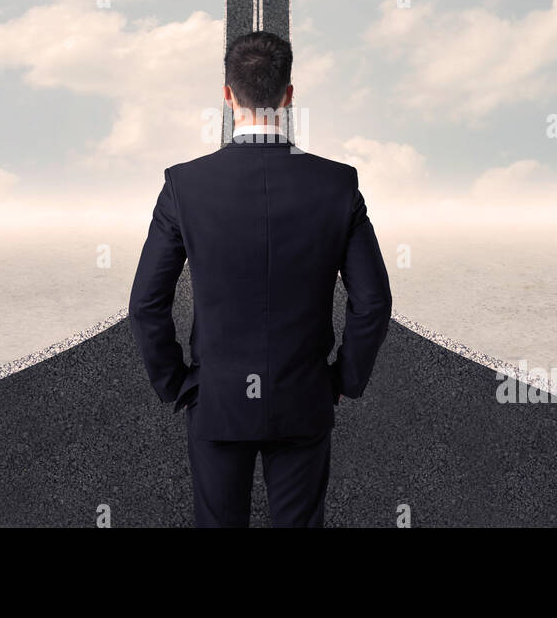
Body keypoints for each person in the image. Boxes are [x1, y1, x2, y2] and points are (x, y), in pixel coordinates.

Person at [128, 31, 391, 528]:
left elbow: (146, 303)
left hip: (217, 400)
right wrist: (342, 380)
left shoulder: (185, 185)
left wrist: (177, 385)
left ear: (227, 95)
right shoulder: (338, 183)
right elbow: (372, 301)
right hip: (303, 396)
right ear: (289, 95)